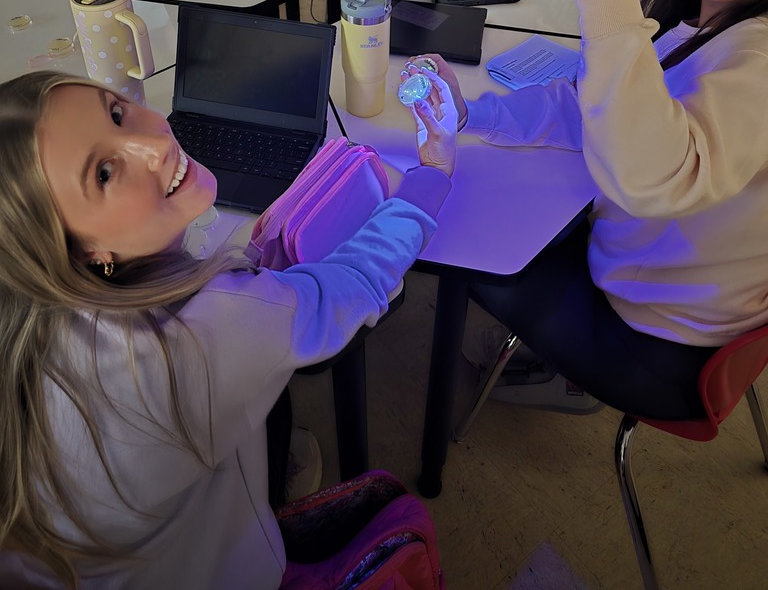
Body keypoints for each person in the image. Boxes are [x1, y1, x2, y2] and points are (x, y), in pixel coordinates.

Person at [0, 70, 457, 588]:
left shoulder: (30, 306)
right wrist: (432, 175)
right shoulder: (193, 346)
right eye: (104, 173)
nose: (153, 143)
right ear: (84, 251)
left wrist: (251, 253)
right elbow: (354, 281)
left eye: (116, 111)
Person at [403, 0, 768, 421]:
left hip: (659, 336)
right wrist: (476, 113)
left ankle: (555, 374)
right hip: (651, 270)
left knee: (457, 243)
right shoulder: (710, 16)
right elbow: (590, 105)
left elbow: (648, 178)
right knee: (506, 192)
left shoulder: (757, 59)